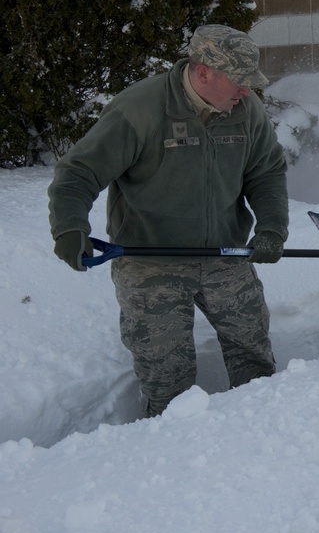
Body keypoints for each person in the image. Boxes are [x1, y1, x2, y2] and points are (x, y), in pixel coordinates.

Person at [48, 24, 289, 417]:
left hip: (224, 254)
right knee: (168, 381)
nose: (246, 91)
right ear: (203, 71)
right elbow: (78, 173)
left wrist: (271, 227)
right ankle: (172, 462)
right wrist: (70, 227)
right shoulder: (140, 109)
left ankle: (259, 440)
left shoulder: (246, 111)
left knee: (255, 360)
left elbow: (266, 172)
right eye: (239, 81)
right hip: (150, 261)